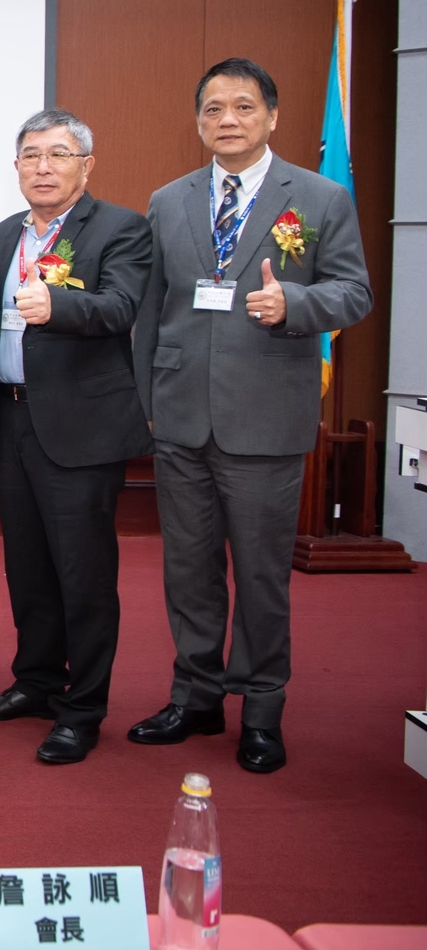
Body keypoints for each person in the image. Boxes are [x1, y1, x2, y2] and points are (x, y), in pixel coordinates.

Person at [130, 57, 372, 774]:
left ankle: (262, 710)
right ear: (198, 121)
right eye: (212, 109)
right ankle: (196, 697)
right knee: (189, 571)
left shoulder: (320, 197)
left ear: (272, 116)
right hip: (180, 417)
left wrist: (294, 303)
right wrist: (149, 404)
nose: (226, 120)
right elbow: (150, 312)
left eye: (242, 106)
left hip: (266, 418)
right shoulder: (169, 200)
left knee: (262, 577)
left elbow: (354, 292)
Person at [0, 110, 153, 764]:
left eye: (59, 154)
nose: (43, 167)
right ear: (16, 166)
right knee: (27, 566)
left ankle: (84, 708)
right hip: (12, 419)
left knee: (84, 574)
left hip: (81, 427)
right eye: (31, 155)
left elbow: (122, 306)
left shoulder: (120, 228)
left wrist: (58, 305)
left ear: (86, 166)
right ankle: (37, 682)